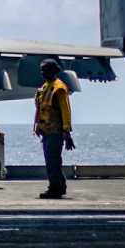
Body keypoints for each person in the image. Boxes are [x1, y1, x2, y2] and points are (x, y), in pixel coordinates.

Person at [34, 58, 74, 200]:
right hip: (46, 131)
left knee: (53, 161)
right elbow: (41, 109)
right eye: (42, 70)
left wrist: (66, 132)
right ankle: (59, 186)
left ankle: (55, 189)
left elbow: (65, 111)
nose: (42, 72)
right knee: (52, 160)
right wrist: (38, 126)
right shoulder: (45, 87)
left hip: (55, 131)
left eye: (45, 70)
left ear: (53, 70)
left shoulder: (59, 88)